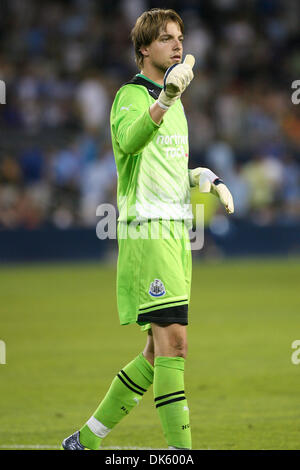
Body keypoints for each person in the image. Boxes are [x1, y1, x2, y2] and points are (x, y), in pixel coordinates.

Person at [61, 8, 234, 451]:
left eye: (180, 38)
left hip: (178, 232)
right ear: (144, 49)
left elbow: (168, 167)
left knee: (157, 354)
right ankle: (181, 454)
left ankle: (85, 440)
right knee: (175, 344)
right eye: (166, 39)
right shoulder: (131, 96)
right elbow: (131, 141)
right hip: (148, 230)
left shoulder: (176, 101)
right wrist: (165, 101)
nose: (178, 45)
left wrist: (204, 178)